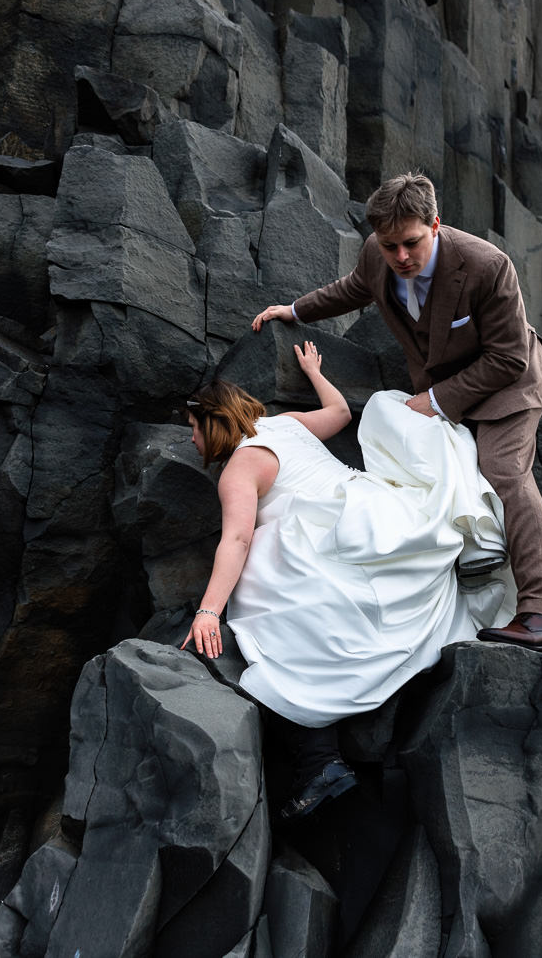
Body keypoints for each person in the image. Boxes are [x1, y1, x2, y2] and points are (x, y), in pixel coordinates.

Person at [251, 172, 542, 655]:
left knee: (503, 473)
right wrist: (294, 310)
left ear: (435, 224)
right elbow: (353, 287)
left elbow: (509, 357)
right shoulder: (378, 254)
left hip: (508, 386)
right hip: (444, 388)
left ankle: (539, 614)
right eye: (390, 247)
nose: (401, 257)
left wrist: (432, 403)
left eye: (411, 243)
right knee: (443, 478)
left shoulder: (487, 265)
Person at [181, 342, 515, 819]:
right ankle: (322, 761)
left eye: (192, 428)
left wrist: (209, 610)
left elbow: (235, 540)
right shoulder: (285, 425)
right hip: (383, 516)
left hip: (340, 536)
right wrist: (315, 372)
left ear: (212, 424)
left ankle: (319, 762)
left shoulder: (240, 468)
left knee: (262, 597)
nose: (191, 440)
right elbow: (339, 413)